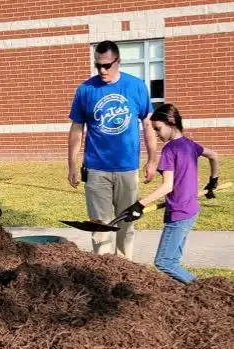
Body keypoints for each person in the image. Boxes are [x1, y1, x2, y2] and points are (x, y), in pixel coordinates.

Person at [68, 40, 158, 260]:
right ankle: (104, 272)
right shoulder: (85, 90)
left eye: (107, 65)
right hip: (96, 169)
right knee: (100, 227)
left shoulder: (136, 86)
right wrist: (72, 165)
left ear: (118, 61)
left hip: (127, 168)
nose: (102, 70)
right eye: (98, 65)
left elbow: (148, 124)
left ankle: (125, 267)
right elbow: (77, 129)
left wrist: (152, 160)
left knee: (126, 224)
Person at [118, 104, 219, 284]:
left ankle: (201, 288)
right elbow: (213, 155)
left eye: (158, 128)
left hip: (179, 213)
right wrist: (213, 180)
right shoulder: (190, 144)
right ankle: (189, 292)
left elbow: (167, 186)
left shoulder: (170, 149)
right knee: (172, 260)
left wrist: (140, 204)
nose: (157, 134)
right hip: (191, 210)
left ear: (171, 122)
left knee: (164, 262)